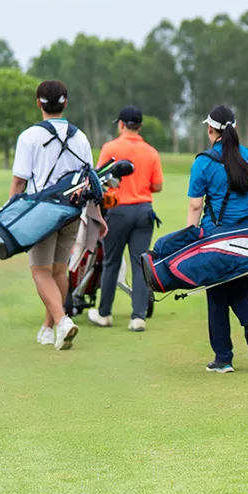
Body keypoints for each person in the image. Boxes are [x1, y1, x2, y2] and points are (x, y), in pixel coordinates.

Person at [10, 79, 103, 351]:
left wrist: (12, 215)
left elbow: (19, 183)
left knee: (40, 272)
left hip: (41, 213)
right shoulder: (81, 137)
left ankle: (62, 321)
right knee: (59, 270)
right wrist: (98, 216)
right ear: (66, 103)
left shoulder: (29, 137)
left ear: (38, 103)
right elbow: (90, 182)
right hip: (72, 212)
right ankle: (49, 328)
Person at [186, 105, 248, 374]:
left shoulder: (204, 162)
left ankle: (223, 358)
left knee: (218, 295)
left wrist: (190, 237)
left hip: (217, 239)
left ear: (211, 130)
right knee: (241, 291)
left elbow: (196, 207)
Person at [88, 106, 164, 332]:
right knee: (140, 264)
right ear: (139, 126)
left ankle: (105, 314)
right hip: (143, 211)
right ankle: (138, 317)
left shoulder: (110, 148)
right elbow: (157, 185)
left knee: (111, 262)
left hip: (117, 211)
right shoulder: (151, 151)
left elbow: (98, 179)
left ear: (121, 124)